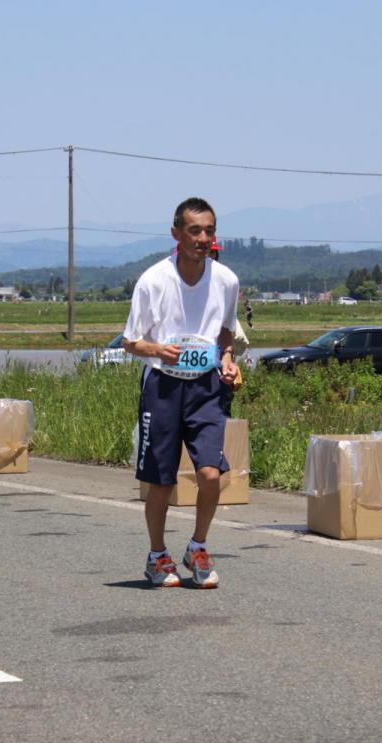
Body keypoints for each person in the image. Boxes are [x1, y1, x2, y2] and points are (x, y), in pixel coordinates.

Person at [122, 197, 240, 589]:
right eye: (194, 231)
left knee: (210, 474)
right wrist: (157, 349)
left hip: (206, 387)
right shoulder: (154, 280)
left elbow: (226, 330)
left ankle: (198, 546)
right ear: (176, 234)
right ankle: (157, 556)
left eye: (209, 230)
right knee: (162, 480)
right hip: (163, 385)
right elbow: (130, 341)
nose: (203, 238)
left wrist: (227, 358)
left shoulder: (226, 280)